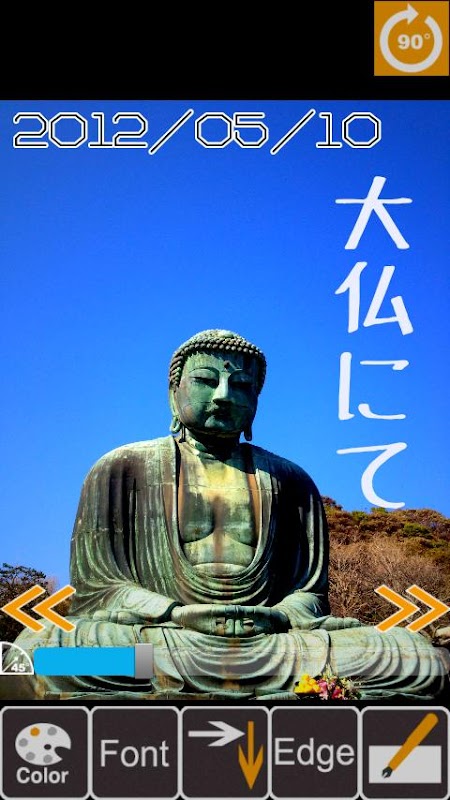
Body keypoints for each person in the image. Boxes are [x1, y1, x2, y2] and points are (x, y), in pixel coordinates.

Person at [1, 329, 448, 700]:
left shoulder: (292, 481)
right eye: (205, 380)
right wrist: (176, 614)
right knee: (43, 655)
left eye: (241, 385)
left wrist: (278, 616)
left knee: (416, 658)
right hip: (162, 641)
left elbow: (308, 593)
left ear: (256, 400)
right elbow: (100, 590)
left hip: (272, 646)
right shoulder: (122, 469)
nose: (223, 395)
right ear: (173, 394)